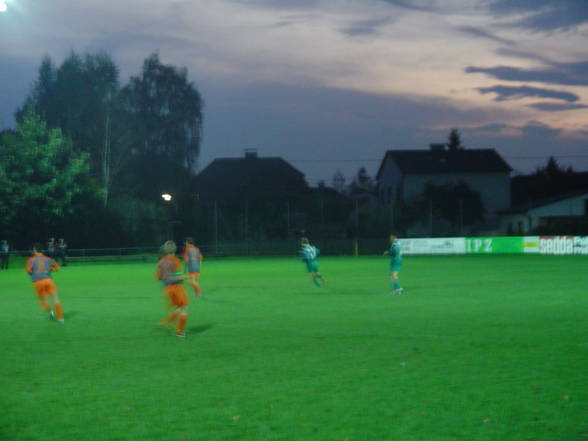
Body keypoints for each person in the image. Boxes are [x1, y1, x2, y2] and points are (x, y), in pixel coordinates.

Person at [156, 240, 189, 338]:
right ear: (174, 250)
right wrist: (185, 277)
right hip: (177, 288)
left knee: (179, 307)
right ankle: (179, 332)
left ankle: (167, 322)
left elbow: (159, 277)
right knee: (184, 308)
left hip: (167, 289)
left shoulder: (160, 262)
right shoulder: (175, 260)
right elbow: (178, 276)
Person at [25, 243, 65, 322]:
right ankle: (60, 318)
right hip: (48, 280)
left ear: (34, 250)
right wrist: (50, 270)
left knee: (42, 299)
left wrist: (32, 275)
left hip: (38, 282)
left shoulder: (31, 259)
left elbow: (28, 270)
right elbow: (57, 267)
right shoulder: (48, 258)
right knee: (55, 299)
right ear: (42, 250)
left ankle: (49, 311)